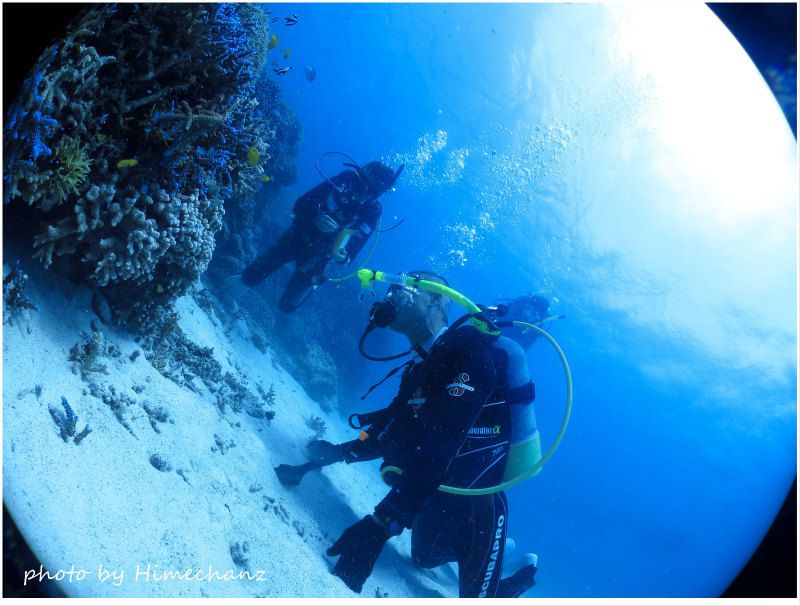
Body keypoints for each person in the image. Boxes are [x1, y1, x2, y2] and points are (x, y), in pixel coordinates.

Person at [318, 271, 539, 597]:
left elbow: (442, 444)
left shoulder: (472, 357)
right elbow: (390, 429)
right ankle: (491, 553)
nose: (394, 293)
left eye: (408, 286)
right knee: (421, 558)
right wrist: (340, 451)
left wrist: (382, 524)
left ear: (437, 299)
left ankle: (516, 574)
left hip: (478, 505)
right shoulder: (421, 368)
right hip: (434, 493)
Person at [223, 155, 403, 313]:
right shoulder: (343, 180)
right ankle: (242, 282)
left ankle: (312, 282)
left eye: (368, 191)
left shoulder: (372, 212)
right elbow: (300, 204)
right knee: (250, 276)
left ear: (377, 194)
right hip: (297, 237)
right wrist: (315, 217)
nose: (359, 193)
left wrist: (342, 257)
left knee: (288, 306)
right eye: (360, 184)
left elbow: (352, 252)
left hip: (318, 257)